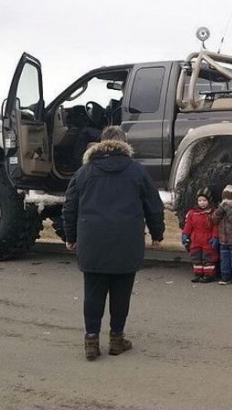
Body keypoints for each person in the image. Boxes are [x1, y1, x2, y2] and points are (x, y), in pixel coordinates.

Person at [63, 126, 165, 361]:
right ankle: (117, 339)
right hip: (126, 241)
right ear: (125, 143)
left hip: (92, 241)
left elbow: (70, 206)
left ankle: (91, 341)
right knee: (121, 293)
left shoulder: (84, 172)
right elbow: (154, 204)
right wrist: (157, 234)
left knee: (93, 293)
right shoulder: (136, 171)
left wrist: (70, 236)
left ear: (100, 143)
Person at [181, 187, 220, 283]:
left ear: (209, 201)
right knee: (196, 256)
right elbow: (188, 225)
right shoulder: (192, 213)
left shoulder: (213, 213)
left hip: (208, 238)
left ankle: (209, 274)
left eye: (204, 200)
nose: (202, 203)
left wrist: (215, 237)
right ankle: (198, 273)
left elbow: (215, 226)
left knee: (208, 257)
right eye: (200, 200)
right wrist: (185, 234)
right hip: (196, 238)